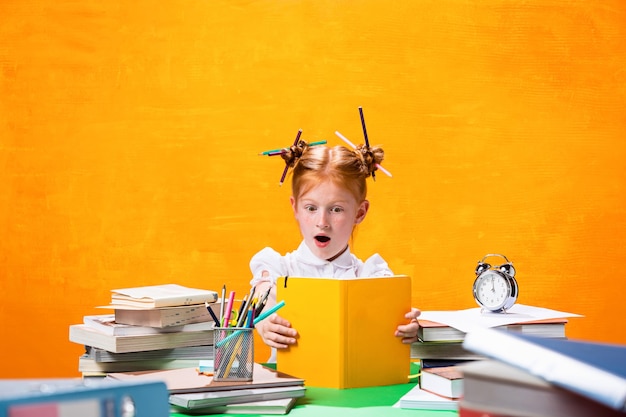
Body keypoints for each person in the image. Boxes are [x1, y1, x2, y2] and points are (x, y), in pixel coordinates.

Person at [250, 140, 420, 362]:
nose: (322, 222)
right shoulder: (280, 268)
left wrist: (408, 326)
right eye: (311, 208)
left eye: (336, 209)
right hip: (290, 388)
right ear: (295, 208)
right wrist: (263, 320)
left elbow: (392, 323)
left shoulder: (370, 276)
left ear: (360, 212)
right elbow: (261, 293)